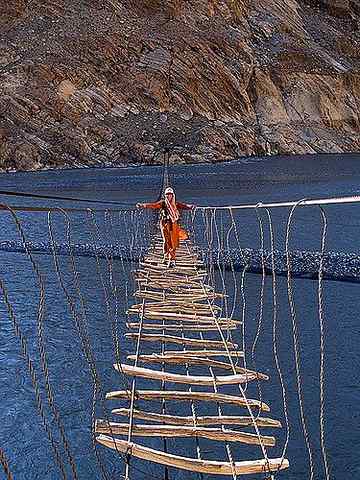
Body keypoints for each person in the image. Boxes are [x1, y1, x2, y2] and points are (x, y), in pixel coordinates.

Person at [137, 187, 194, 267]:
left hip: (173, 224)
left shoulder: (176, 204)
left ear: (173, 195)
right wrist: (143, 205)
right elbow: (154, 205)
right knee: (166, 241)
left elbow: (184, 206)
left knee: (173, 242)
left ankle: (172, 260)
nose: (168, 196)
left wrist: (191, 207)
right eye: (167, 194)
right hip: (164, 224)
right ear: (165, 195)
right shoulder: (163, 203)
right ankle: (166, 255)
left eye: (170, 194)